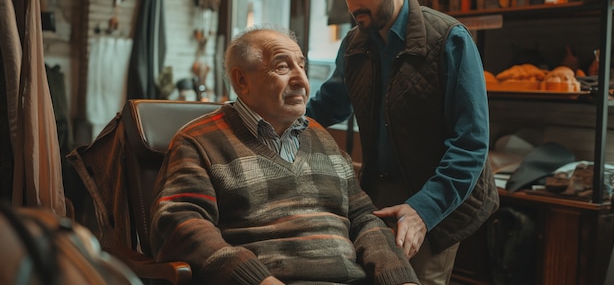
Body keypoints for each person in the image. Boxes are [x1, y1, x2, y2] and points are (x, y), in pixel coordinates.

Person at [149, 27, 420, 285]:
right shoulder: (198, 141)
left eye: (301, 65)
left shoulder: (322, 138)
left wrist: (400, 277)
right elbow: (179, 223)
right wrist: (255, 279)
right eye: (282, 66)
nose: (301, 80)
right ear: (241, 80)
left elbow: (363, 219)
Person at [306, 0, 500, 283]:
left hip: (440, 195)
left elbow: (470, 146)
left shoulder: (450, 40)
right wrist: (270, 125)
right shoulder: (353, 45)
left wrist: (424, 210)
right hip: (377, 191)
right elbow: (327, 107)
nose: (353, 4)